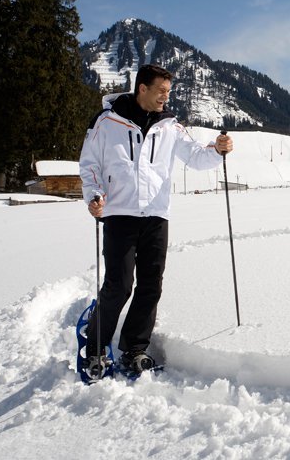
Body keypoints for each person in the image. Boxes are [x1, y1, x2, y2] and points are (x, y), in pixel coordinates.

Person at [78, 64, 233, 379]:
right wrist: (94, 195)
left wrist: (217, 150)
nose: (166, 97)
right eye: (161, 91)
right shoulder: (106, 122)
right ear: (142, 89)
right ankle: (94, 348)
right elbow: (89, 163)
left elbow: (196, 157)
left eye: (169, 91)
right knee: (119, 285)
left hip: (156, 216)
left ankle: (134, 348)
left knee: (151, 285)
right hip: (119, 213)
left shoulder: (171, 127)